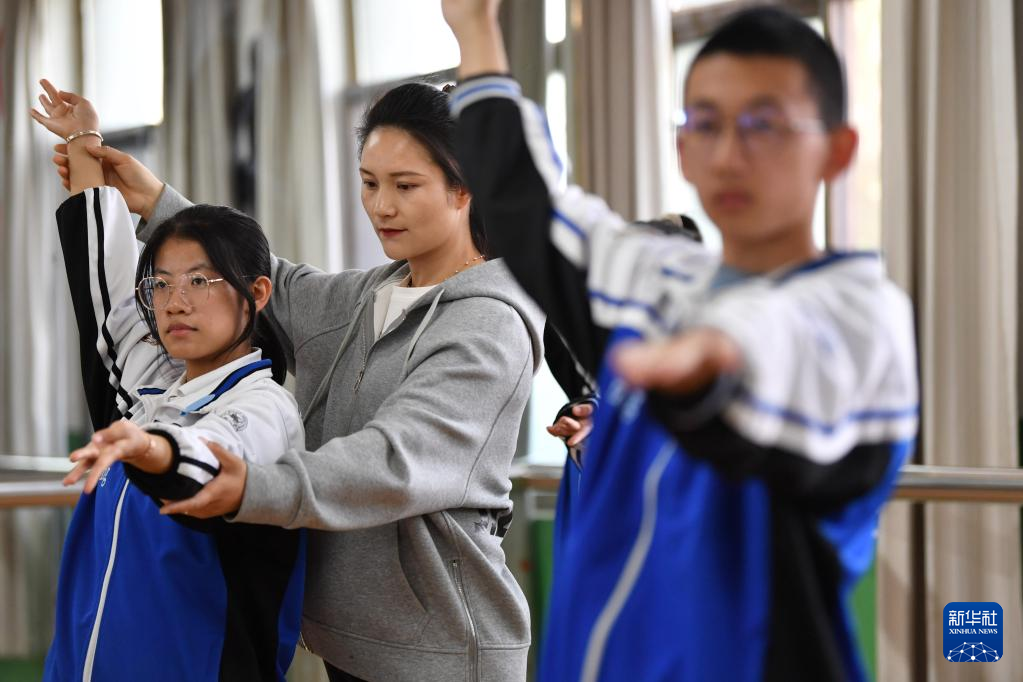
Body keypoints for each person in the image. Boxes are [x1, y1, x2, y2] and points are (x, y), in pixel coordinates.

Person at [442, 3, 918, 681]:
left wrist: (715, 359)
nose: (729, 155)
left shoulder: (861, 315)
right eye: (706, 124)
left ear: (837, 150)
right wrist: (475, 29)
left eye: (764, 125)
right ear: (681, 149)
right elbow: (528, 205)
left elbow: (780, 346)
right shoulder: (655, 284)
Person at [49, 80, 543, 681]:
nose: (381, 207)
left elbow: (395, 462)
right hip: (355, 638)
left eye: (405, 186)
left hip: (445, 651)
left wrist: (254, 486)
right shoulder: (367, 297)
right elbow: (265, 282)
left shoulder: (488, 325)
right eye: (369, 183)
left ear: (467, 187)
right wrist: (155, 202)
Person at [30, 80, 306, 681]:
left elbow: (214, 456)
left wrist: (150, 449)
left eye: (200, 281)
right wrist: (83, 141)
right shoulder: (149, 394)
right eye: (161, 283)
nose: (175, 301)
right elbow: (105, 287)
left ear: (258, 292)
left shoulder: (267, 409)